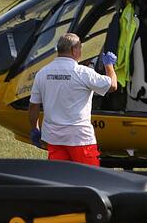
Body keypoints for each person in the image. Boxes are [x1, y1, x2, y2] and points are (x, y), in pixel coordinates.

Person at [28, 33, 117, 166]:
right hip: (80, 138)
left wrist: (35, 128)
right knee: (90, 178)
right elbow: (112, 85)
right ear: (73, 50)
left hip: (54, 137)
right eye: (80, 48)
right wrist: (109, 65)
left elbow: (33, 106)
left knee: (59, 180)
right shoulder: (83, 72)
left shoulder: (43, 73)